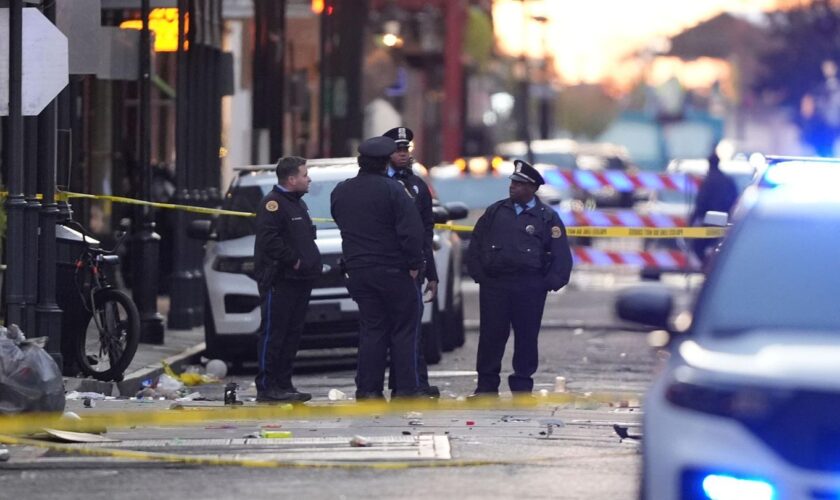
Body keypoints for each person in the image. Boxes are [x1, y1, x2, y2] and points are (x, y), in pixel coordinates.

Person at [467, 159, 573, 397]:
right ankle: (486, 388)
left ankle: (522, 388)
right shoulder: (496, 212)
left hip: (529, 287)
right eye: (512, 182)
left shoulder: (546, 217)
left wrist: (548, 283)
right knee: (491, 337)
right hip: (496, 285)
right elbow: (476, 245)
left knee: (526, 338)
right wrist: (480, 275)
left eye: (519, 183)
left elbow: (560, 253)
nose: (512, 187)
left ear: (532, 188)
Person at [330, 137, 426, 400]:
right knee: (404, 331)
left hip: (359, 271)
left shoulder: (341, 190)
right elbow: (411, 232)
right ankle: (406, 389)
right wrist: (415, 264)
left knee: (372, 330)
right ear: (386, 163)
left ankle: (368, 390)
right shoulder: (394, 190)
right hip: (394, 270)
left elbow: (340, 220)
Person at [253, 156, 322, 403]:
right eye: (305, 175)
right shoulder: (273, 204)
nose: (308, 179)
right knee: (274, 333)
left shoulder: (296, 203)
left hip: (300, 280)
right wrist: (294, 260)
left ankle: (284, 384)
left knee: (292, 334)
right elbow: (269, 241)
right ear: (291, 179)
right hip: (280, 280)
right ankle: (267, 386)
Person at [383, 126, 440, 398]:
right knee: (388, 331)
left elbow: (426, 231)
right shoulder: (380, 181)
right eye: (397, 150)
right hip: (387, 267)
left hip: (413, 268)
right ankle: (401, 385)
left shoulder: (417, 185)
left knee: (412, 330)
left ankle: (415, 383)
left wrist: (431, 272)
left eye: (406, 150)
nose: (403, 155)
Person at [689, 152, 739, 262]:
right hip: (727, 220)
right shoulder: (727, 180)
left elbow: (701, 203)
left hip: (711, 220)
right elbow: (736, 199)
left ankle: (708, 267)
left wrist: (692, 221)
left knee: (698, 246)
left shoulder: (708, 181)